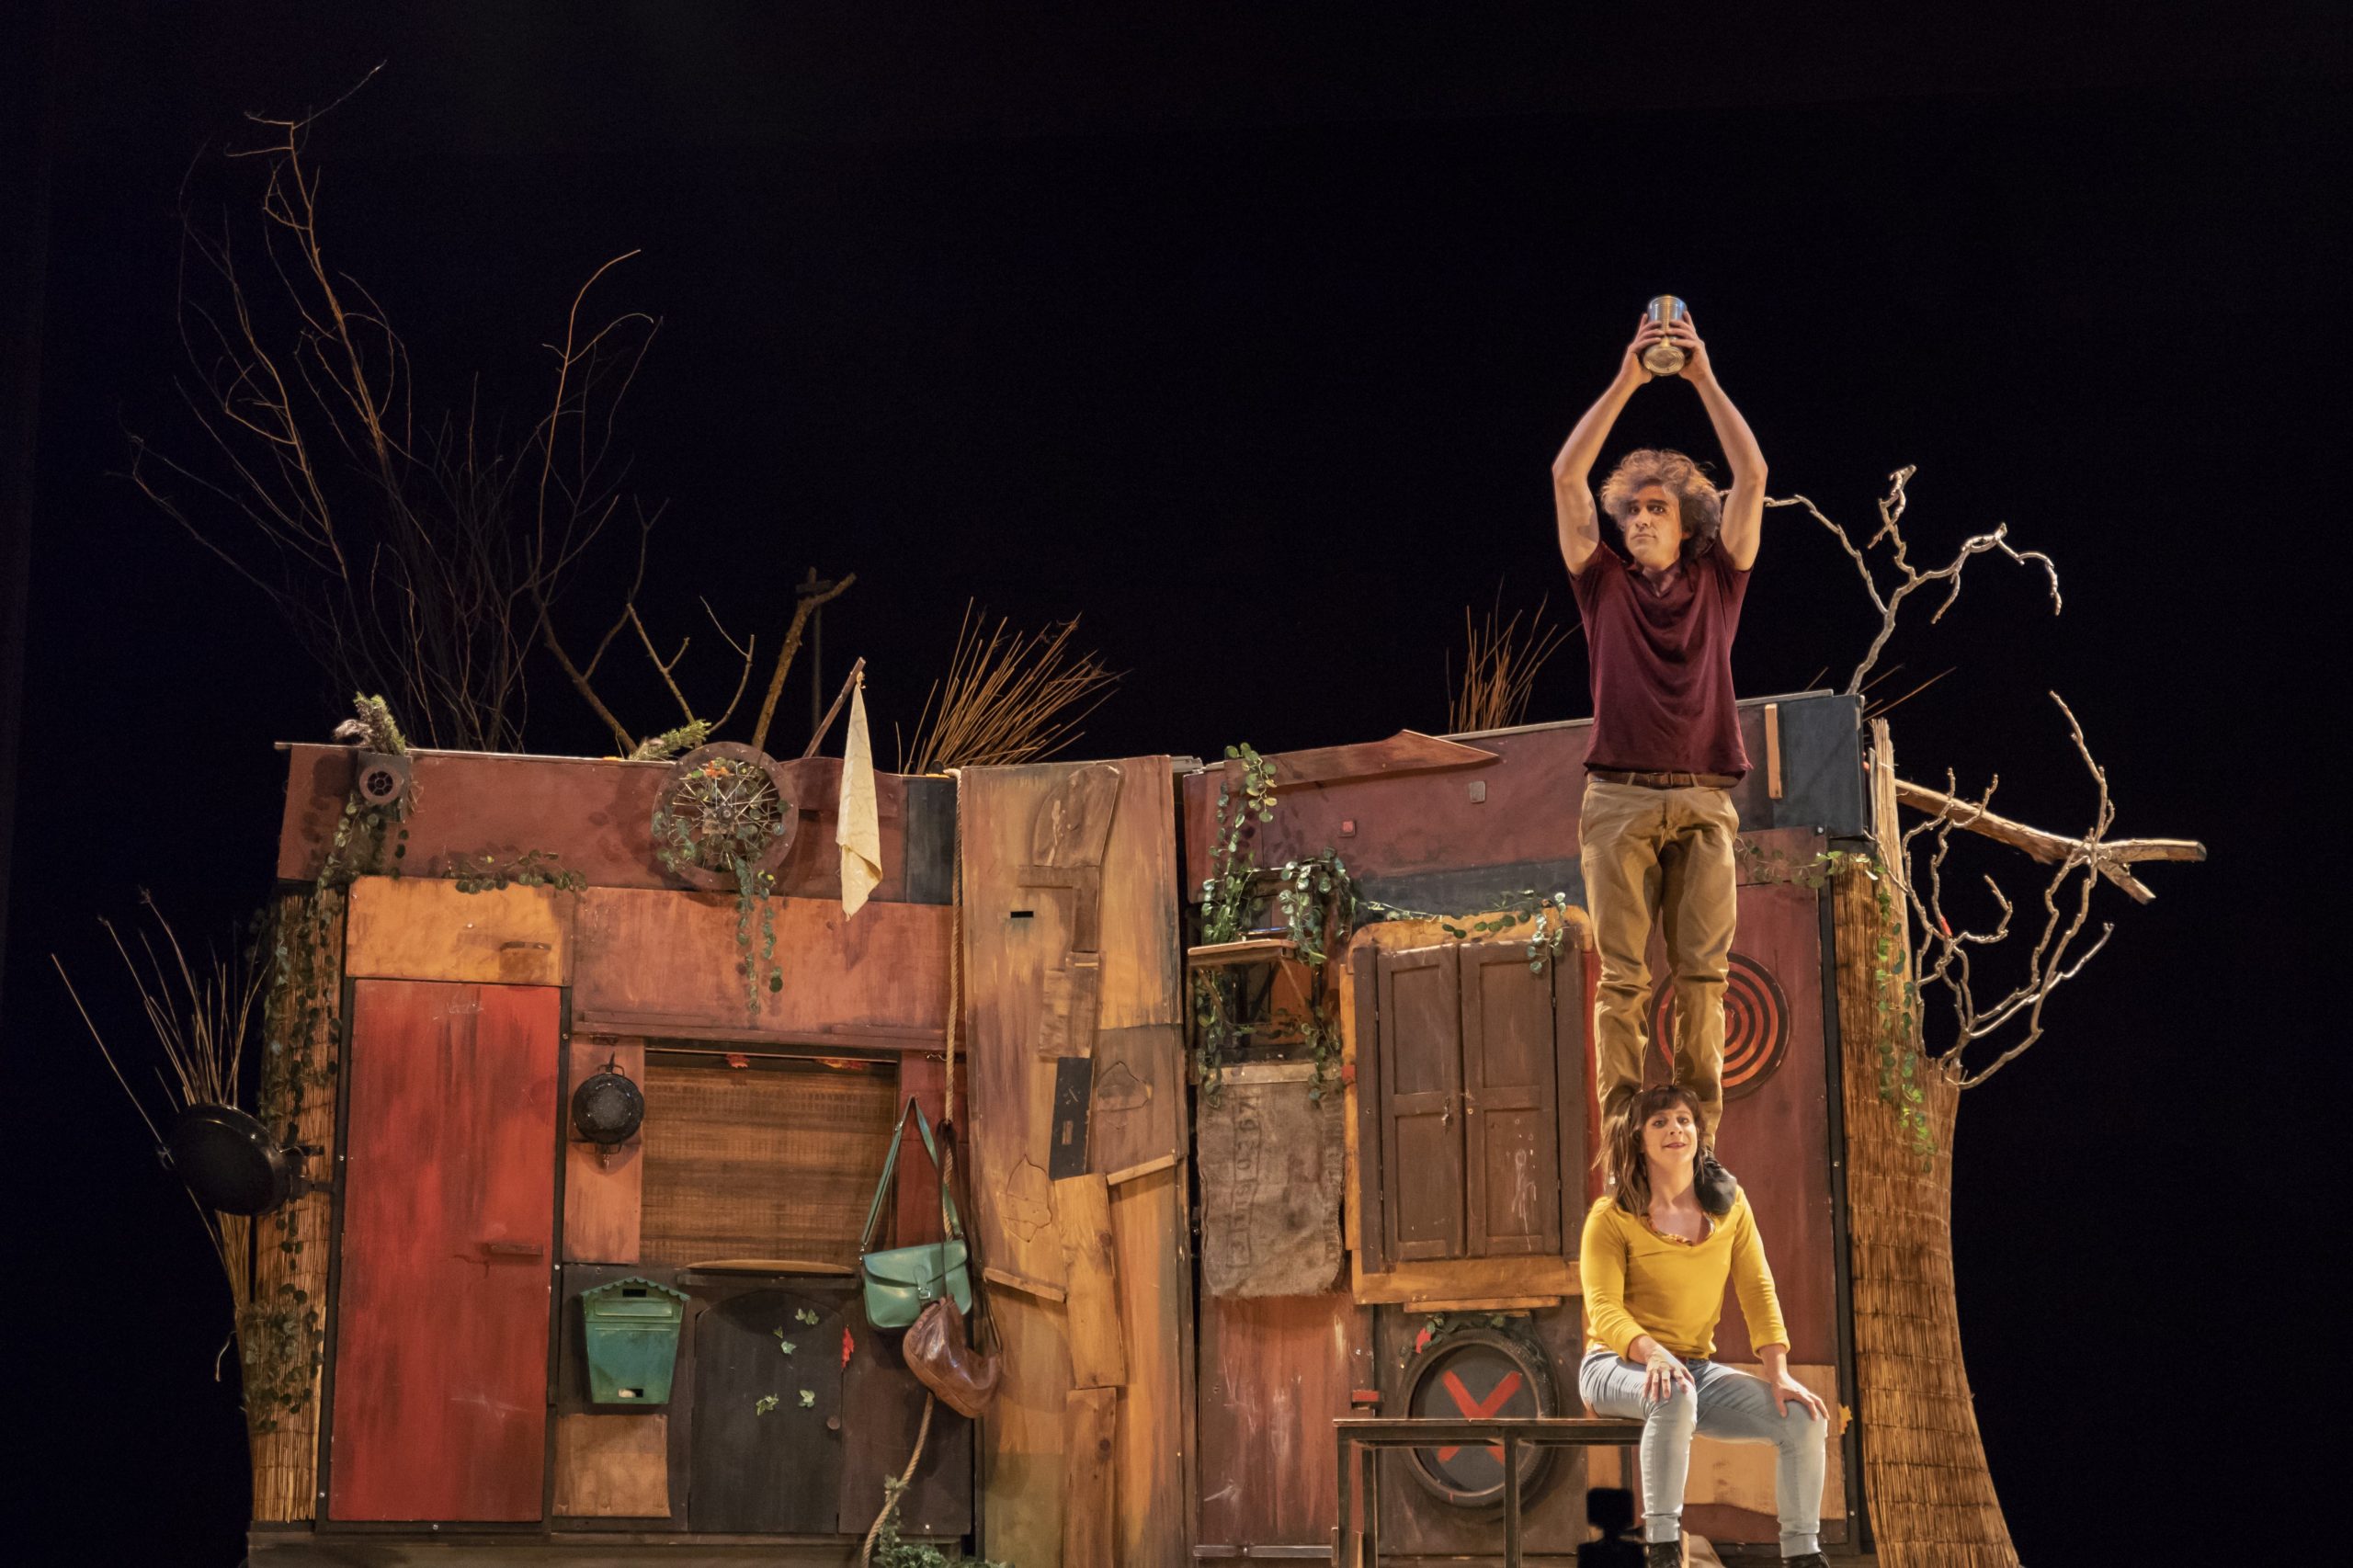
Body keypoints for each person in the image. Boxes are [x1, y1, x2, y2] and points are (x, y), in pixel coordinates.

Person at [1551, 306, 1768, 1214]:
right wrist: (1629, 380)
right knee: (1624, 982)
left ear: (1686, 526)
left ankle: (1698, 1154)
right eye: (1632, 508)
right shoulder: (1600, 583)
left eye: (1656, 509)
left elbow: (1754, 474)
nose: (1640, 518)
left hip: (1705, 798)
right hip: (1619, 799)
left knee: (1704, 980)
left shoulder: (1720, 580)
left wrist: (1702, 376)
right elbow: (1566, 474)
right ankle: (1623, 1154)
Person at [1578, 1084, 1830, 1567]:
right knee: (1672, 1392)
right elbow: (1604, 1310)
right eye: (1660, 1122)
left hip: (1693, 1369)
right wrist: (1653, 1353)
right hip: (1614, 1363)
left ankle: (1803, 1554)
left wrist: (1779, 1373)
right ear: (1638, 1139)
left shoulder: (1731, 1209)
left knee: (1805, 1419)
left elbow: (1758, 1289)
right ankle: (1663, 1547)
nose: (1675, 1129)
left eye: (1684, 1120)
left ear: (1698, 1133)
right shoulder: (1611, 1217)